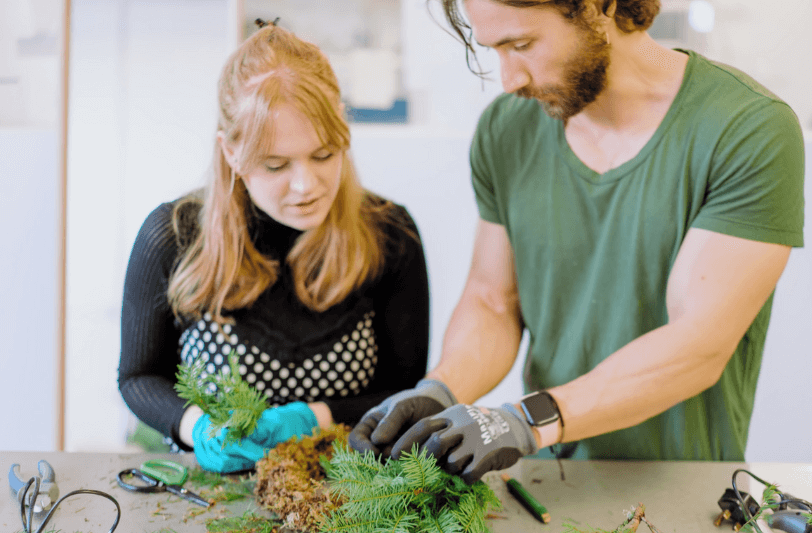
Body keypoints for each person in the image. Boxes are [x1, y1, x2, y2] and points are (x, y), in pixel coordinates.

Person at [349, 0, 805, 484]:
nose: (509, 80)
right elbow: (493, 301)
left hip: (686, 485)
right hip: (549, 482)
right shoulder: (507, 129)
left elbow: (696, 344)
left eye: (522, 45)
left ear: (598, 7)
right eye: (495, 50)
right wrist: (441, 388)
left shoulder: (748, 130)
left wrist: (526, 420)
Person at [118, 20, 430, 473]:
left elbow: (405, 391)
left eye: (324, 155)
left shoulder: (389, 235)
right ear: (231, 153)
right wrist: (196, 428)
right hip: (211, 493)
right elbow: (138, 377)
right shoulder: (173, 236)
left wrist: (313, 418)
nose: (305, 186)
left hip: (350, 492)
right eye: (276, 164)